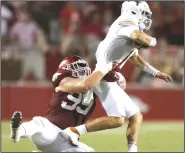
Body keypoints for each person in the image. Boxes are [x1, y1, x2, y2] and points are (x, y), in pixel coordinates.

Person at [64, 1, 172, 152]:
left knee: (136, 115)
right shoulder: (127, 23)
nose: (147, 18)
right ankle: (73, 131)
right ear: (135, 11)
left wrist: (156, 73)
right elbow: (140, 37)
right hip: (103, 76)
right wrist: (153, 40)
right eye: (145, 14)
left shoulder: (128, 29)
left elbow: (135, 58)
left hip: (109, 75)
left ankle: (132, 151)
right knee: (117, 120)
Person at [10, 55, 113, 152]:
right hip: (50, 129)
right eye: (78, 67)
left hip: (67, 138)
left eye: (83, 67)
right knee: (39, 123)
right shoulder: (65, 81)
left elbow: (120, 85)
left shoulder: (95, 84)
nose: (82, 70)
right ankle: (18, 131)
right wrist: (104, 70)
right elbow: (85, 85)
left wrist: (113, 76)